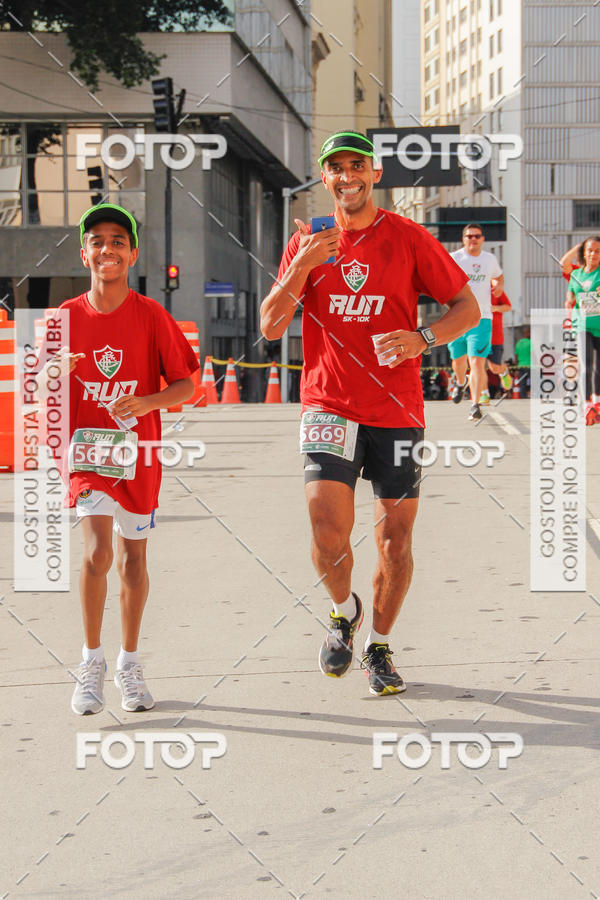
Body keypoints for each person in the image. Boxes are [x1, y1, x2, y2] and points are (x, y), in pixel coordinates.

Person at [260, 130, 479, 695]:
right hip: (328, 404)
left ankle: (379, 646)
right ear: (326, 178)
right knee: (327, 529)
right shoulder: (307, 240)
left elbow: (468, 308)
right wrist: (300, 266)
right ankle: (344, 611)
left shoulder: (407, 238)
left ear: (374, 174)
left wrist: (422, 338)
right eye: (336, 168)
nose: (347, 176)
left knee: (395, 543)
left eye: (357, 165)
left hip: (397, 408)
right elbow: (269, 325)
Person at [39, 203, 198, 715]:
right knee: (96, 554)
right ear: (84, 253)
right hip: (87, 454)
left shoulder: (152, 315)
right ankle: (91, 663)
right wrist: (53, 372)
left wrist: (147, 402)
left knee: (133, 561)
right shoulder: (62, 317)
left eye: (117, 240)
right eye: (97, 241)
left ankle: (130, 664)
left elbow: (187, 384)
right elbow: (40, 386)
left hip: (138, 455)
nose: (107, 249)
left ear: (131, 253)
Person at [447, 224, 504, 420]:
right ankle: (460, 382)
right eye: (469, 236)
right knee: (458, 361)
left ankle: (475, 404)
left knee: (477, 363)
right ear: (463, 239)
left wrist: (497, 285)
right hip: (456, 317)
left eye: (477, 236)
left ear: (482, 239)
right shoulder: (454, 258)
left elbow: (498, 276)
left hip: (482, 318)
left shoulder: (489, 259)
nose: (473, 239)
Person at [565, 235, 600, 425]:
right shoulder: (576, 274)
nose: (593, 254)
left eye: (597, 251)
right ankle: (586, 404)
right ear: (584, 253)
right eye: (590, 250)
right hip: (582, 324)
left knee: (598, 367)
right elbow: (570, 291)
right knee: (586, 363)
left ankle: (597, 403)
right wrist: (569, 298)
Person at [480, 289, 513, 404]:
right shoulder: (471, 288)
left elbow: (508, 307)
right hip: (477, 335)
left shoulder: (495, 290)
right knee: (478, 365)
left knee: (494, 368)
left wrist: (495, 308)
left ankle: (503, 371)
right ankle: (484, 394)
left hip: (495, 336)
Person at [514, 326, 531, 399]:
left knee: (522, 383)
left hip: (520, 366)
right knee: (533, 382)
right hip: (529, 366)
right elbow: (533, 354)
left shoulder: (518, 343)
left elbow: (516, 357)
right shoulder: (529, 342)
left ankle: (523, 397)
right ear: (527, 333)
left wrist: (516, 368)